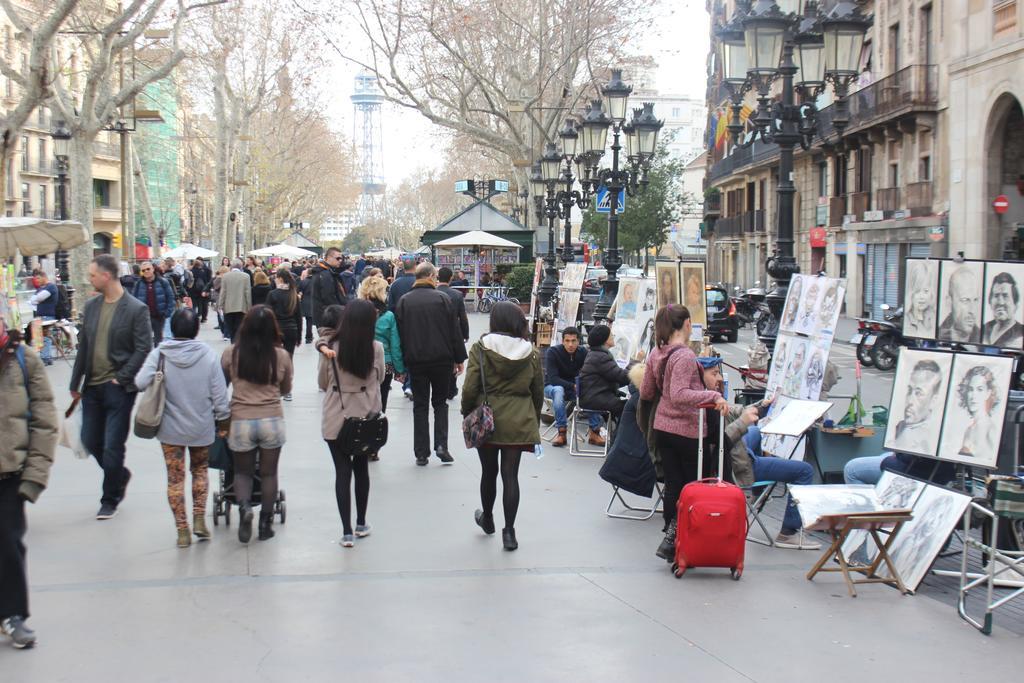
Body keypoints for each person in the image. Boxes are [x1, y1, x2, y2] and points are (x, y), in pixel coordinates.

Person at [699, 359, 819, 550]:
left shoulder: (707, 397)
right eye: (714, 374)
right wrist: (743, 422)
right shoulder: (702, 407)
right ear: (699, 376)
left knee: (755, 432)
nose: (720, 378)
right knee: (804, 470)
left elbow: (736, 411)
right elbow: (716, 446)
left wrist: (761, 406)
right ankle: (788, 533)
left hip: (735, 454)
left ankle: (756, 494)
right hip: (732, 466)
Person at [639, 305, 729, 560]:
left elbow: (646, 392)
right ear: (687, 324)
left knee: (673, 485)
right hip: (687, 431)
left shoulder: (657, 352)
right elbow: (680, 395)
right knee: (692, 486)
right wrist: (713, 395)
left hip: (663, 428)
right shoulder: (685, 357)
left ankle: (671, 535)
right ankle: (676, 538)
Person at [135, 309, 230, 548]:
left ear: (172, 328)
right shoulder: (208, 355)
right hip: (201, 426)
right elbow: (220, 395)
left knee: (174, 479)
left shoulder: (160, 354)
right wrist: (224, 421)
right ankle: (199, 517)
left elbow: (139, 382)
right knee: (200, 471)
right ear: (196, 329)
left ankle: (182, 531)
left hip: (169, 429)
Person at [70, 254, 153, 520]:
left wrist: (124, 376)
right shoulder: (92, 306)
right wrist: (76, 383)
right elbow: (84, 346)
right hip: (92, 387)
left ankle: (110, 498)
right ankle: (119, 474)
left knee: (112, 445)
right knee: (89, 439)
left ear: (106, 276)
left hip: (118, 388)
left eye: (93, 275)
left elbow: (144, 347)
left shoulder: (135, 308)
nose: (89, 279)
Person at [462, 302, 543, 551]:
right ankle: (510, 532)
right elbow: (537, 391)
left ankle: (487, 517)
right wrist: (534, 419)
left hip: (488, 417)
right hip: (519, 419)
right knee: (511, 475)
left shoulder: (481, 348)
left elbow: (470, 386)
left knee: (489, 472)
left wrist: (467, 412)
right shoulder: (531, 352)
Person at [0, 318, 57, 649]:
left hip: (10, 472)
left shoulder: (23, 359)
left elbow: (46, 419)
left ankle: (13, 614)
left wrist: (35, 474)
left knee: (7, 544)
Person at [221, 306, 293, 544]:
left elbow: (221, 385)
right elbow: (286, 388)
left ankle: (244, 509)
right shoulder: (281, 356)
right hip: (271, 418)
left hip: (241, 419)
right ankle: (265, 524)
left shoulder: (232, 353)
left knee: (242, 472)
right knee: (269, 473)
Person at [318, 300, 385, 547]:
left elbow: (322, 381)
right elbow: (380, 376)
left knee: (341, 472)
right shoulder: (376, 348)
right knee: (361, 469)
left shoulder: (330, 347)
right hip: (365, 415)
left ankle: (346, 531)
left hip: (336, 413)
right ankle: (361, 522)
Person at [395, 261, 467, 466]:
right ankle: (441, 445)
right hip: (441, 359)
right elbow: (454, 331)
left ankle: (421, 451)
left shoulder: (405, 301)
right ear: (429, 276)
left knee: (420, 405)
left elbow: (400, 335)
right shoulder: (442, 299)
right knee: (440, 403)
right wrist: (458, 358)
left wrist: (400, 366)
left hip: (416, 359)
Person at [356, 274, 406, 431]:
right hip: (385, 362)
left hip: (360, 360)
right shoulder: (389, 315)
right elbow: (395, 344)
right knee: (381, 398)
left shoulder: (355, 311)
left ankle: (361, 431)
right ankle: (375, 434)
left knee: (361, 397)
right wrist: (400, 369)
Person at [544, 327, 602, 447]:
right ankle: (561, 432)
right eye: (567, 341)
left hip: (573, 388)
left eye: (573, 341)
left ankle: (594, 432)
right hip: (552, 387)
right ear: (562, 341)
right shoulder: (553, 352)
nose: (570, 344)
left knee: (591, 390)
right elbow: (554, 379)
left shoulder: (583, 352)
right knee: (559, 390)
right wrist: (573, 385)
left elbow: (589, 372)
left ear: (578, 341)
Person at [578, 324, 631, 444]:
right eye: (611, 334)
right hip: (595, 398)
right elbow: (622, 377)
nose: (613, 336)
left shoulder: (596, 354)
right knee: (629, 408)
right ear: (605, 339)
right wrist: (635, 361)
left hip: (593, 396)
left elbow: (616, 376)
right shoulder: (600, 357)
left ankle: (617, 440)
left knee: (626, 406)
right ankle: (619, 442)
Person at [892, 359, 944, 454]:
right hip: (899, 458)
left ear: (933, 400)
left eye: (918, 393)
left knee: (857, 465)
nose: (910, 401)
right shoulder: (902, 425)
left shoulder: (932, 436)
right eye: (909, 390)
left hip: (911, 464)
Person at [954, 365, 1000, 458]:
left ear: (988, 393)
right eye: (970, 389)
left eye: (980, 389)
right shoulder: (969, 430)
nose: (973, 395)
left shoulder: (991, 430)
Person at [437, 266, 469, 399]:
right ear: (451, 278)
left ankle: (440, 386)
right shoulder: (457, 295)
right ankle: (451, 387)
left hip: (436, 332)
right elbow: (463, 316)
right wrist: (465, 334)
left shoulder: (433, 292)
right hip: (453, 333)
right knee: (453, 360)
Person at [130, 260, 176, 347]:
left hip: (159, 316)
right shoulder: (139, 284)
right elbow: (133, 300)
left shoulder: (163, 282)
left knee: (158, 339)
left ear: (153, 269)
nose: (146, 271)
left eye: (148, 269)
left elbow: (170, 297)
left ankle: (157, 357)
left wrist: (167, 313)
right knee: (144, 340)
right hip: (144, 317)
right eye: (143, 270)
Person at [266, 267, 302, 359]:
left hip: (276, 329)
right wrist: (299, 336)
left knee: (275, 359)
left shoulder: (272, 294)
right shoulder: (294, 295)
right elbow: (298, 317)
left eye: (276, 277)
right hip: (291, 329)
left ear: (280, 279)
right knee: (289, 359)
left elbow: (267, 315)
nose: (274, 280)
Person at [938, 265, 981, 343]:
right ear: (949, 302)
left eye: (975, 300)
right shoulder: (935, 337)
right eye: (965, 300)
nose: (972, 310)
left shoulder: (984, 340)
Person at [982, 271, 1024, 347]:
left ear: (1015, 304)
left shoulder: (1021, 333)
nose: (1000, 302)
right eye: (996, 296)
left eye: (1005, 296)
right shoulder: (984, 329)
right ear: (990, 302)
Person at [311, 247, 348, 327]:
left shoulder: (328, 272)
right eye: (338, 258)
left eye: (341, 258)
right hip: (329, 317)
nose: (340, 260)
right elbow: (328, 296)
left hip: (327, 314)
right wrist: (339, 312)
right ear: (328, 258)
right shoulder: (325, 273)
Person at [29, 270, 58, 365]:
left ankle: (45, 357)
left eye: (38, 278)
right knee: (40, 337)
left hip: (47, 315)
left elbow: (38, 298)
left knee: (45, 337)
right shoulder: (41, 289)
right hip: (40, 315)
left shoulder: (51, 287)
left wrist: (37, 299)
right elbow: (32, 300)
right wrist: (37, 299)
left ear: (44, 277)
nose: (36, 280)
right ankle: (46, 356)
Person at [219, 259, 252, 343]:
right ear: (241, 267)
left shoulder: (225, 276)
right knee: (239, 328)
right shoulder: (246, 276)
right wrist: (249, 307)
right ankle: (237, 345)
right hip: (241, 307)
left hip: (228, 307)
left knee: (231, 329)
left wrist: (220, 306)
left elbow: (223, 292)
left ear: (231, 266)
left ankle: (233, 344)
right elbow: (247, 293)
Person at [904, 262, 936, 337]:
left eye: (926, 291)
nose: (922, 297)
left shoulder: (933, 317)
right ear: (911, 293)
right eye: (917, 291)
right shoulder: (907, 320)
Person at [189, 257, 213, 323]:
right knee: (202, 303)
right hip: (201, 289)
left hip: (192, 290)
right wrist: (206, 290)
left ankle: (193, 316)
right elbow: (207, 281)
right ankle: (201, 316)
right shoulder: (203, 271)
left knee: (194, 304)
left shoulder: (191, 271)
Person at [211, 265, 228, 337]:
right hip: (219, 298)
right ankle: (223, 331)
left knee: (223, 316)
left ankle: (225, 332)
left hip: (223, 299)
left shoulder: (225, 279)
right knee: (220, 315)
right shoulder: (218, 279)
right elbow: (216, 288)